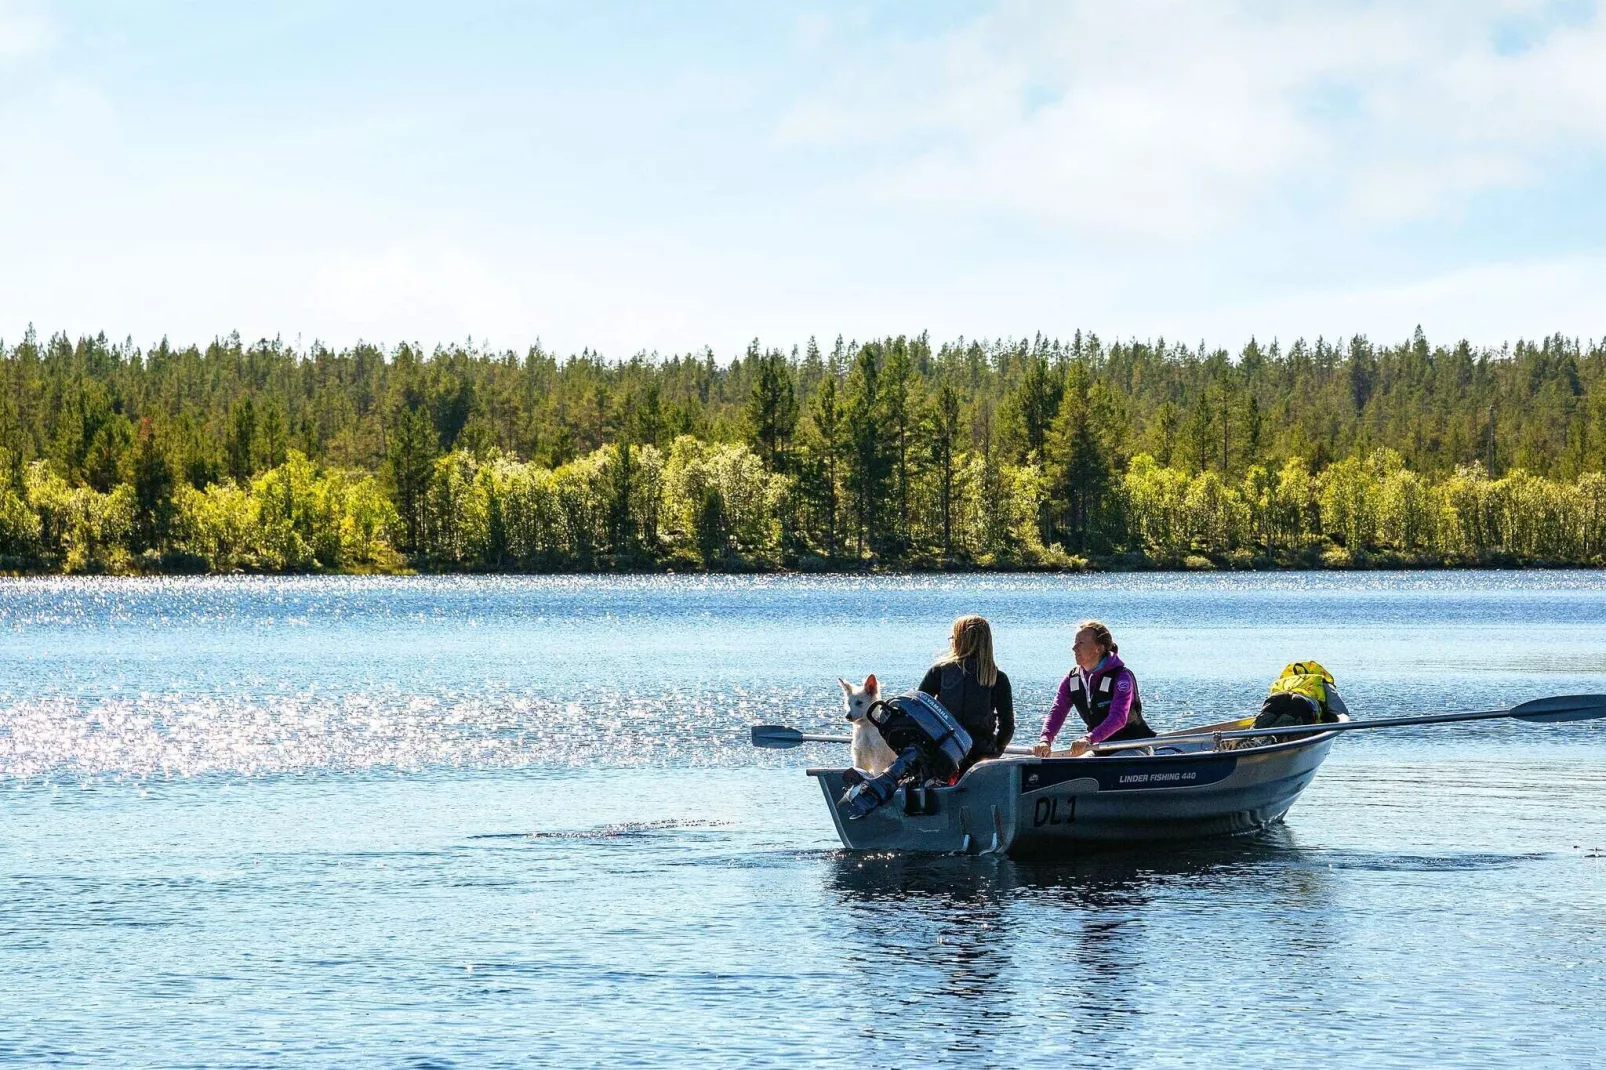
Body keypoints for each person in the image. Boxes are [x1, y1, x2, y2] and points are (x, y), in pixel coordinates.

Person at [1033, 619, 1154, 757]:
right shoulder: (1072, 679)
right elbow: (1058, 710)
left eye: (1081, 643)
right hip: (1100, 749)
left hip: (1133, 747)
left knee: (1107, 769)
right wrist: (1045, 740)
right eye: (1075, 643)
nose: (1074, 648)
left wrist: (1088, 738)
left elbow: (1118, 717)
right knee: (1077, 768)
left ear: (1099, 648)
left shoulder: (1121, 677)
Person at [917, 614, 1014, 772]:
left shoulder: (939, 672)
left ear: (958, 641)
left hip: (943, 751)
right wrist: (996, 750)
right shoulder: (998, 678)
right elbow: (1007, 726)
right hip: (981, 755)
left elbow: (919, 712)